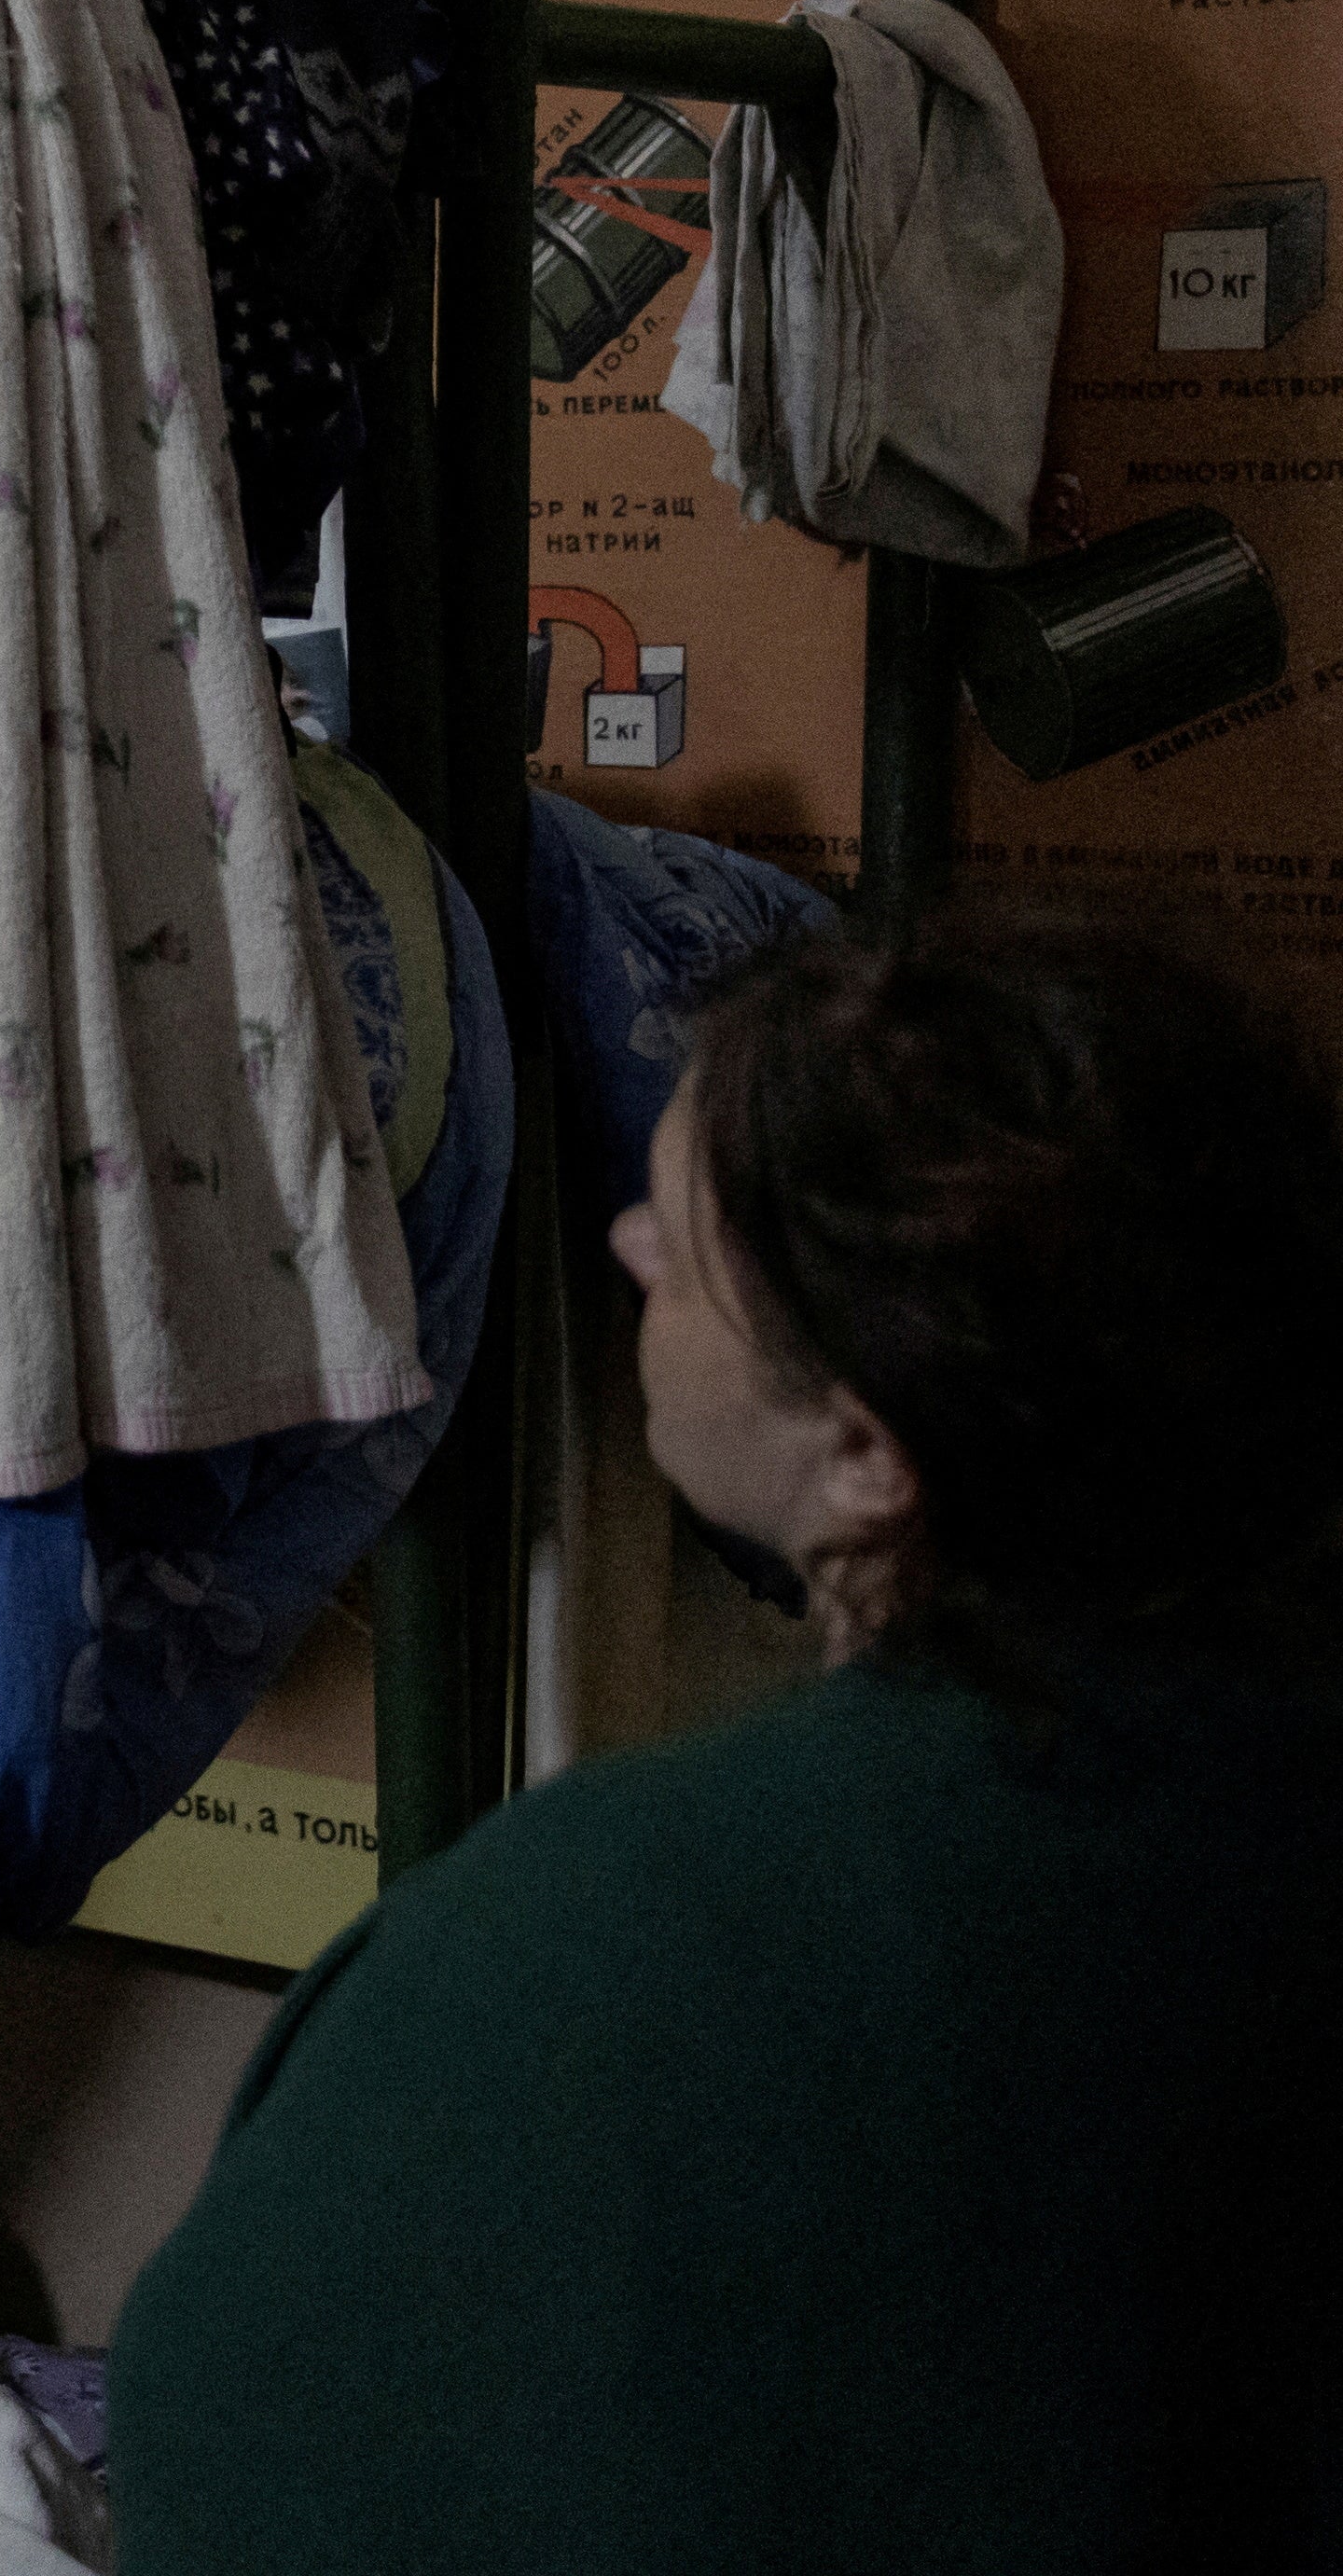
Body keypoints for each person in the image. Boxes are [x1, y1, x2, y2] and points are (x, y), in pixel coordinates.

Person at [115, 899, 1343, 2565]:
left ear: (865, 1454)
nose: (625, 1248)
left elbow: (233, 2457)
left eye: (685, 1255)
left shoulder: (585, 1948)